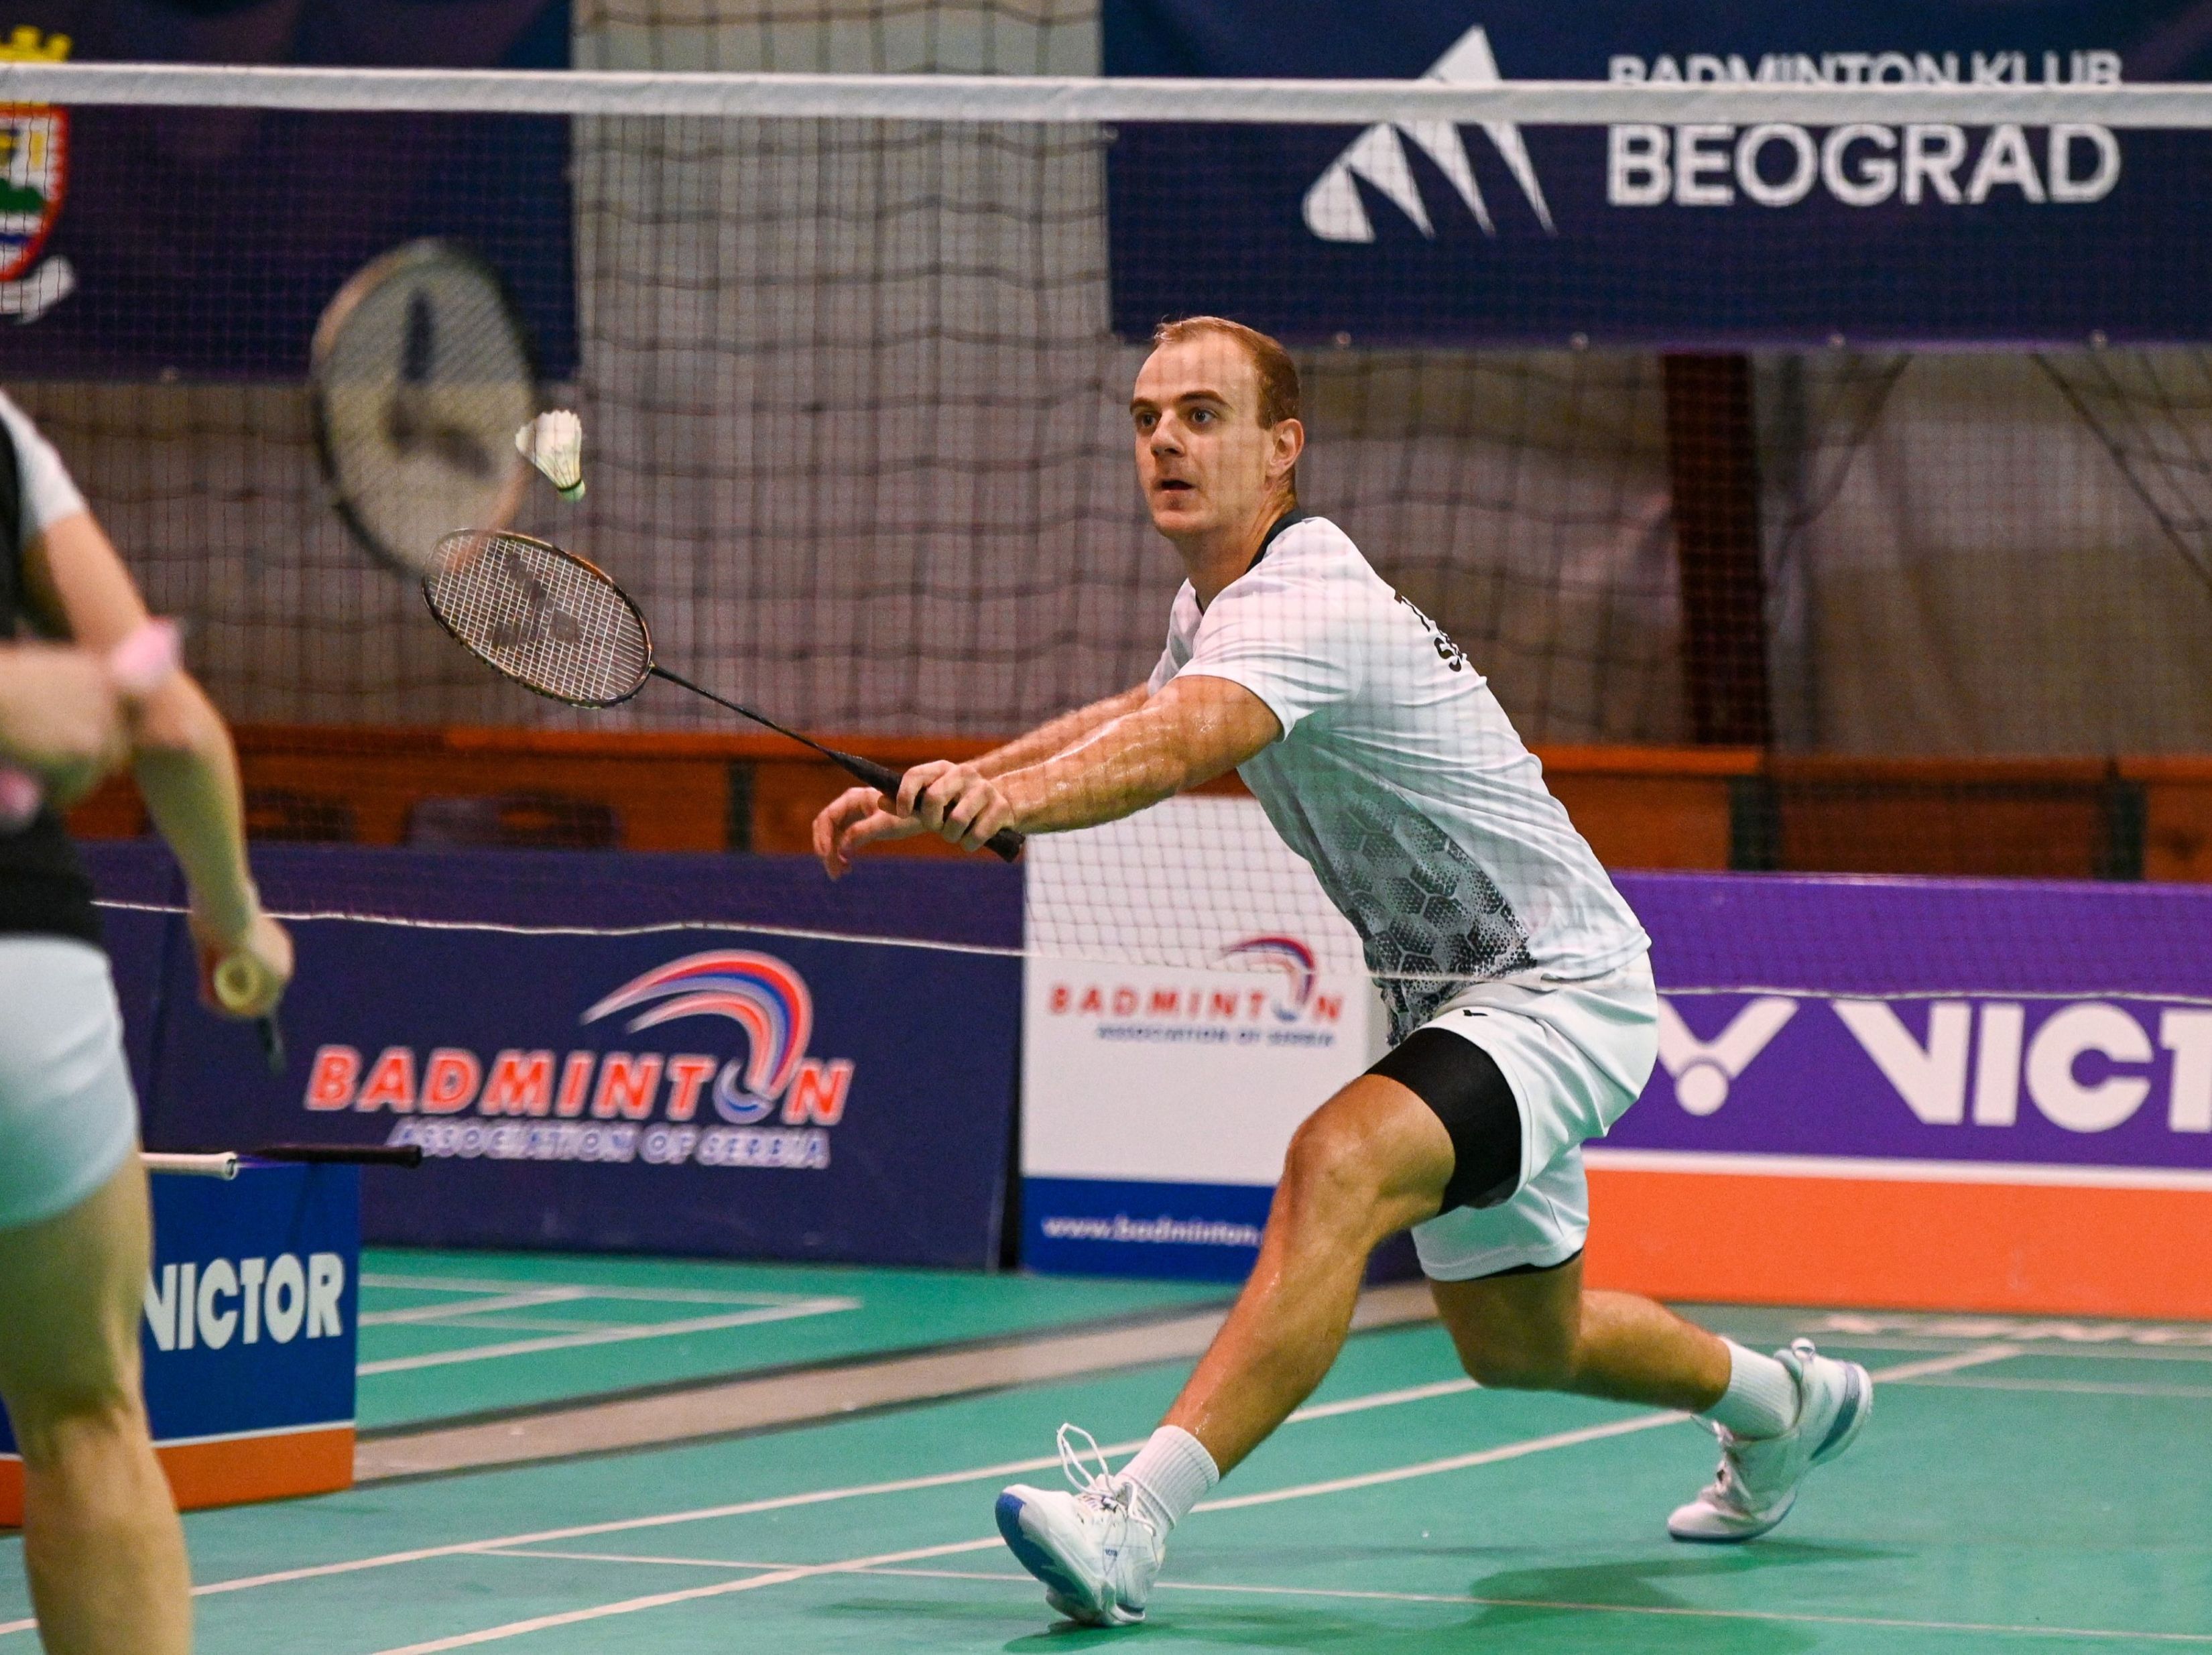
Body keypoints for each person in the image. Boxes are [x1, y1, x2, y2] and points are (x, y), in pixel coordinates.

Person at [814, 317, 1871, 1629]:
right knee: (1521, 1345)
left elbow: (1182, 743)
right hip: (1458, 1003)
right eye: (1147, 418)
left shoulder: (1305, 599)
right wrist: (956, 787)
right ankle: (1787, 1402)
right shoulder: (1220, 605)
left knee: (1339, 1161)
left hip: (1557, 986)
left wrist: (1010, 806)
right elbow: (1141, 711)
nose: (1165, 441)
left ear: (1283, 446)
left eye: (1202, 415)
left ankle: (1132, 1517)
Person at [0, 389, 292, 1655]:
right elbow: (168, 719)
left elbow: (143, 710)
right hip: (22, 981)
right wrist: (237, 918)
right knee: (85, 1417)